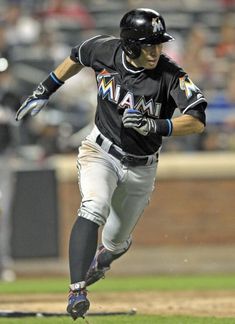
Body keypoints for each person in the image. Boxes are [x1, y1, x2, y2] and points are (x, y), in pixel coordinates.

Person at [15, 8, 207, 320]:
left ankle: (106, 258)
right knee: (94, 205)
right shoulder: (104, 49)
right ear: (130, 45)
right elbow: (76, 56)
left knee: (116, 241)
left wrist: (155, 126)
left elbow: (197, 120)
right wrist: (45, 89)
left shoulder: (171, 74)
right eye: (150, 45)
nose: (157, 51)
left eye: (159, 44)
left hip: (142, 166)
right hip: (100, 150)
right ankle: (77, 290)